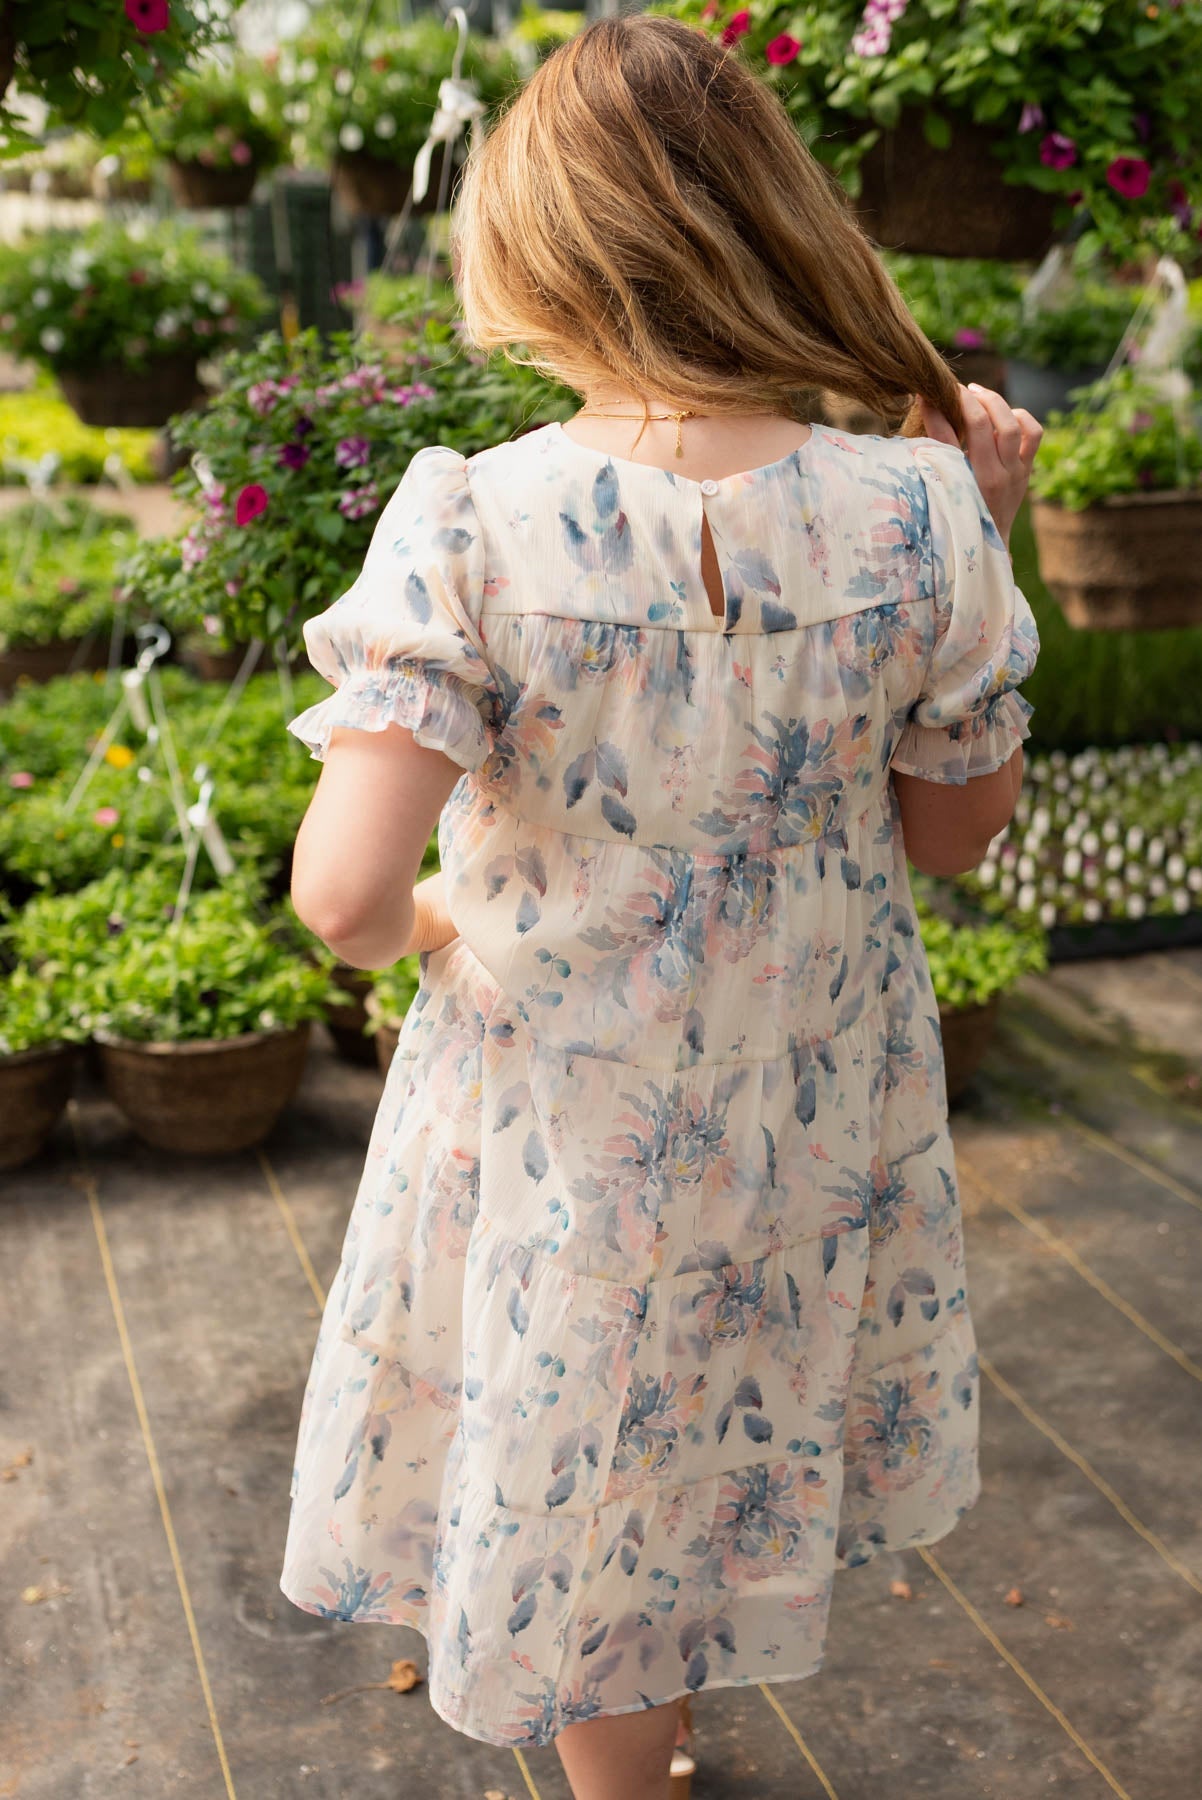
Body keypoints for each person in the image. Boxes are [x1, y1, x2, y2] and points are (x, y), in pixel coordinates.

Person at [277, 15, 1041, 1800]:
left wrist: (439, 939)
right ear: (778, 226)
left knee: (588, 1457)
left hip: (567, 1121)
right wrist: (985, 534)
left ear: (534, 248)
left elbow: (344, 892)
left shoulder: (474, 521)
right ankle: (656, 1735)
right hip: (808, 1116)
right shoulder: (918, 512)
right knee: (721, 1416)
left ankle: (627, 1771)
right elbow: (956, 839)